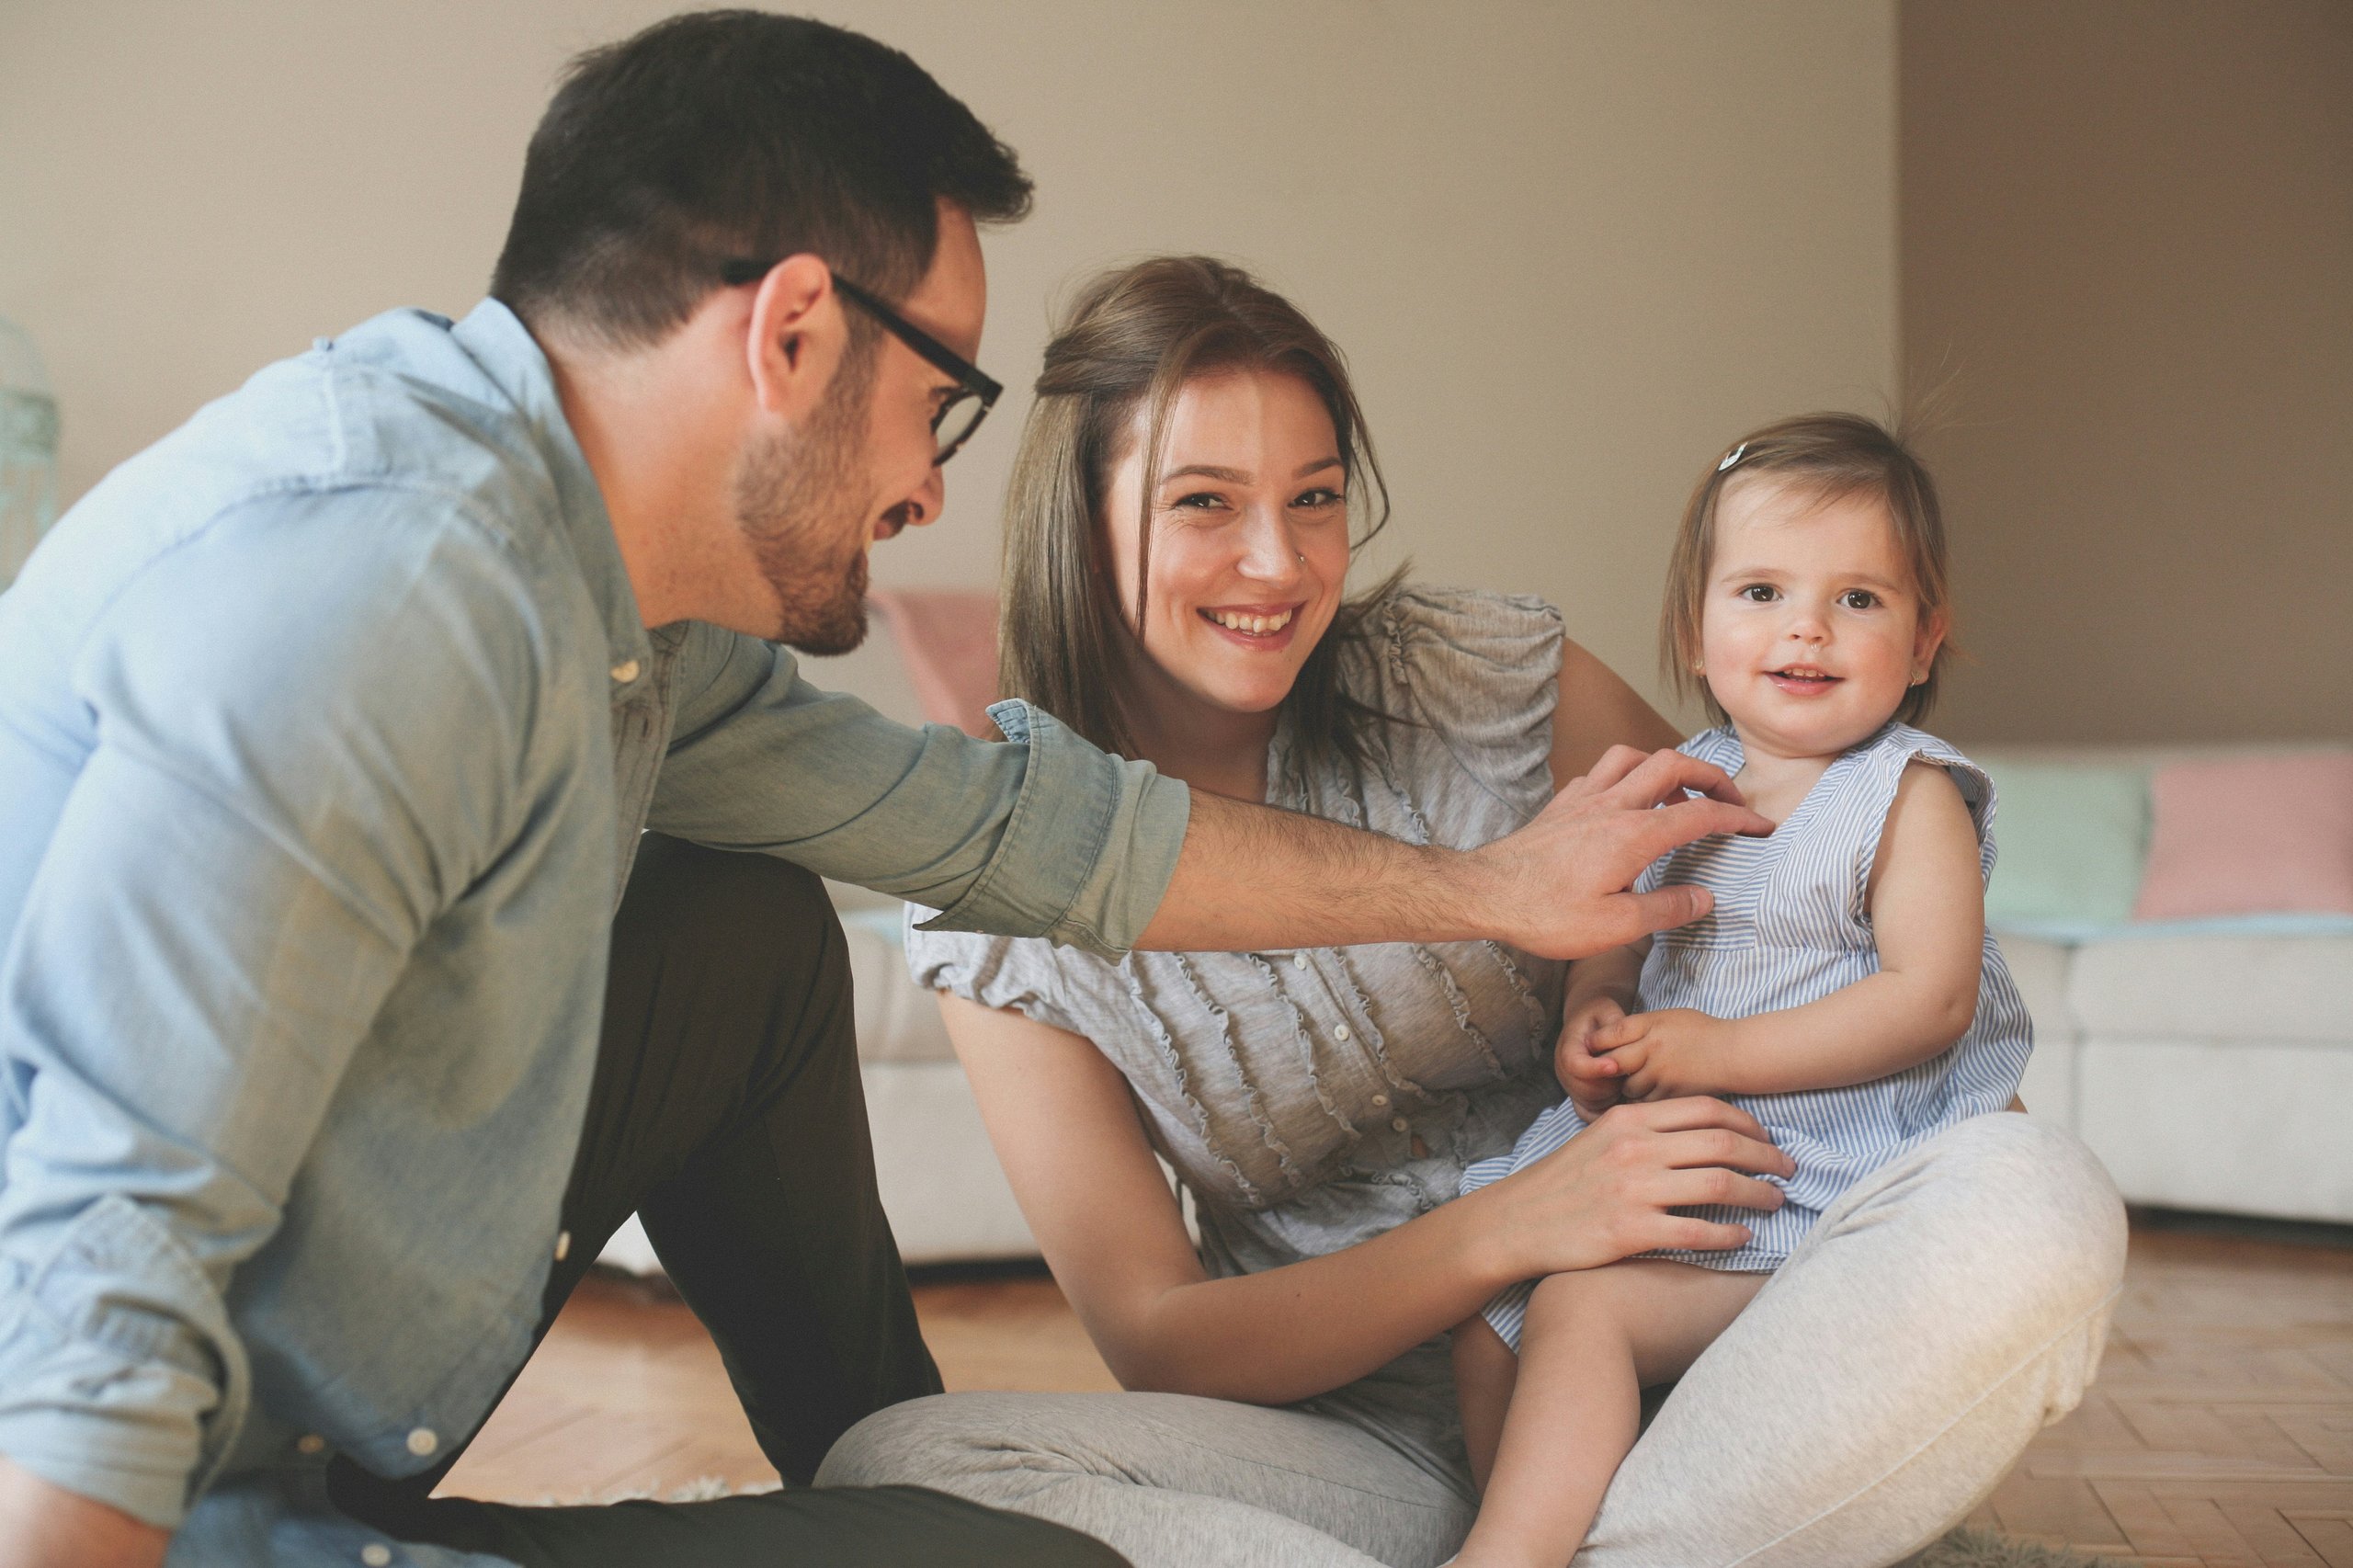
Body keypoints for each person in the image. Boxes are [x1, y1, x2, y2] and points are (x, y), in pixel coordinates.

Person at [0, 17, 1770, 1568]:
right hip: (143, 1486)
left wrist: (1489, 891)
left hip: (318, 1416)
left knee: (746, 934)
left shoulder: (621, 620)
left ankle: (861, 1476)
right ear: (789, 335)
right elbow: (100, 1258)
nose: (933, 482)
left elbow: (1023, 834)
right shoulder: (387, 604)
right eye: (947, 397)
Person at [817, 258, 2129, 1568]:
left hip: (1711, 1351)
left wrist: (1939, 1168)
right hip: (1364, 1453)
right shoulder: (996, 905)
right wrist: (1520, 1221)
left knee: (2034, 1197)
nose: (1276, 562)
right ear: (1078, 519)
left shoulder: (1474, 674)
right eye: (1205, 502)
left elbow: (1773, 909)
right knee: (906, 1461)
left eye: (1316, 498)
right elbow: (1161, 1337)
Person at [1447, 414, 2040, 1568]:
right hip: (1678, 1146)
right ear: (1697, 626)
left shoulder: (1906, 794)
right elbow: (1616, 933)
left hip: (1811, 1179)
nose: (1806, 626)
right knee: (1484, 1322)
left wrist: (1714, 1052)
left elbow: (1931, 1001)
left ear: (1925, 641)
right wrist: (1593, 1015)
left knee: (1582, 1309)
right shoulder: (1680, 783)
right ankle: (1549, 1532)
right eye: (1761, 589)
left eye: (1859, 599)